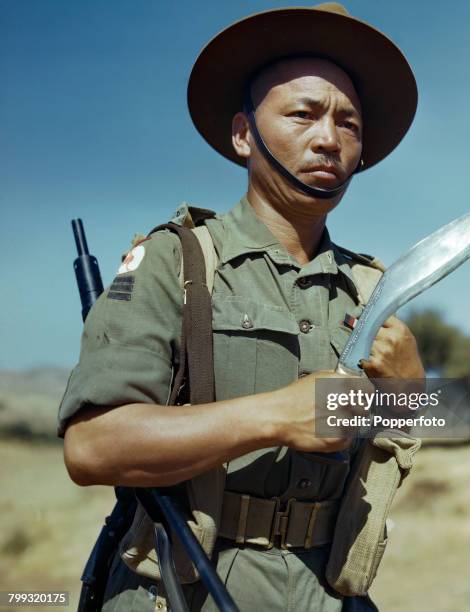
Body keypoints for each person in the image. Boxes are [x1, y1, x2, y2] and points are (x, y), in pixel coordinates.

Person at [58, 3, 424, 611]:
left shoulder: (371, 289)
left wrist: (411, 396)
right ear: (243, 134)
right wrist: (275, 417)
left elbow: (412, 443)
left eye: (349, 123)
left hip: (325, 592)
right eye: (303, 114)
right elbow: (92, 447)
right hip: (184, 586)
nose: (328, 138)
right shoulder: (173, 262)